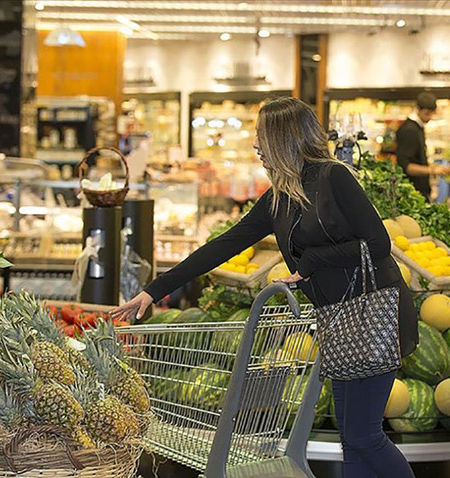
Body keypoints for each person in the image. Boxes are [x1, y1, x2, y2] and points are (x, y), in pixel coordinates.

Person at [111, 97, 418, 478]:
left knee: (365, 435)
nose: (256, 145)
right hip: (337, 320)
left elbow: (378, 244)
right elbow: (221, 246)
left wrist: (310, 263)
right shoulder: (278, 200)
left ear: (284, 139)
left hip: (373, 314)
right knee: (352, 437)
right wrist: (153, 291)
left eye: (261, 137)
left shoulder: (333, 177)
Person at [395, 92, 450, 200]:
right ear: (417, 109)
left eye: (432, 113)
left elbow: (416, 159)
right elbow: (407, 166)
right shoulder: (410, 130)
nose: (429, 117)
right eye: (427, 113)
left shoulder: (417, 128)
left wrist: (435, 167)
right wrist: (433, 170)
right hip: (412, 193)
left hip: (416, 192)